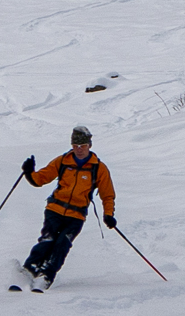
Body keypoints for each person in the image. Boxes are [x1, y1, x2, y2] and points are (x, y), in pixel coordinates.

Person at [15, 125, 116, 291]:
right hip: (55, 209)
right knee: (47, 240)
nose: (79, 150)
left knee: (62, 244)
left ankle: (46, 276)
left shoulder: (98, 168)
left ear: (89, 145)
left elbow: (108, 194)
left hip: (76, 215)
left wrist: (108, 215)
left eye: (82, 146)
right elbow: (41, 179)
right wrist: (29, 172)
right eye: (75, 146)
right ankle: (29, 270)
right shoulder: (63, 161)